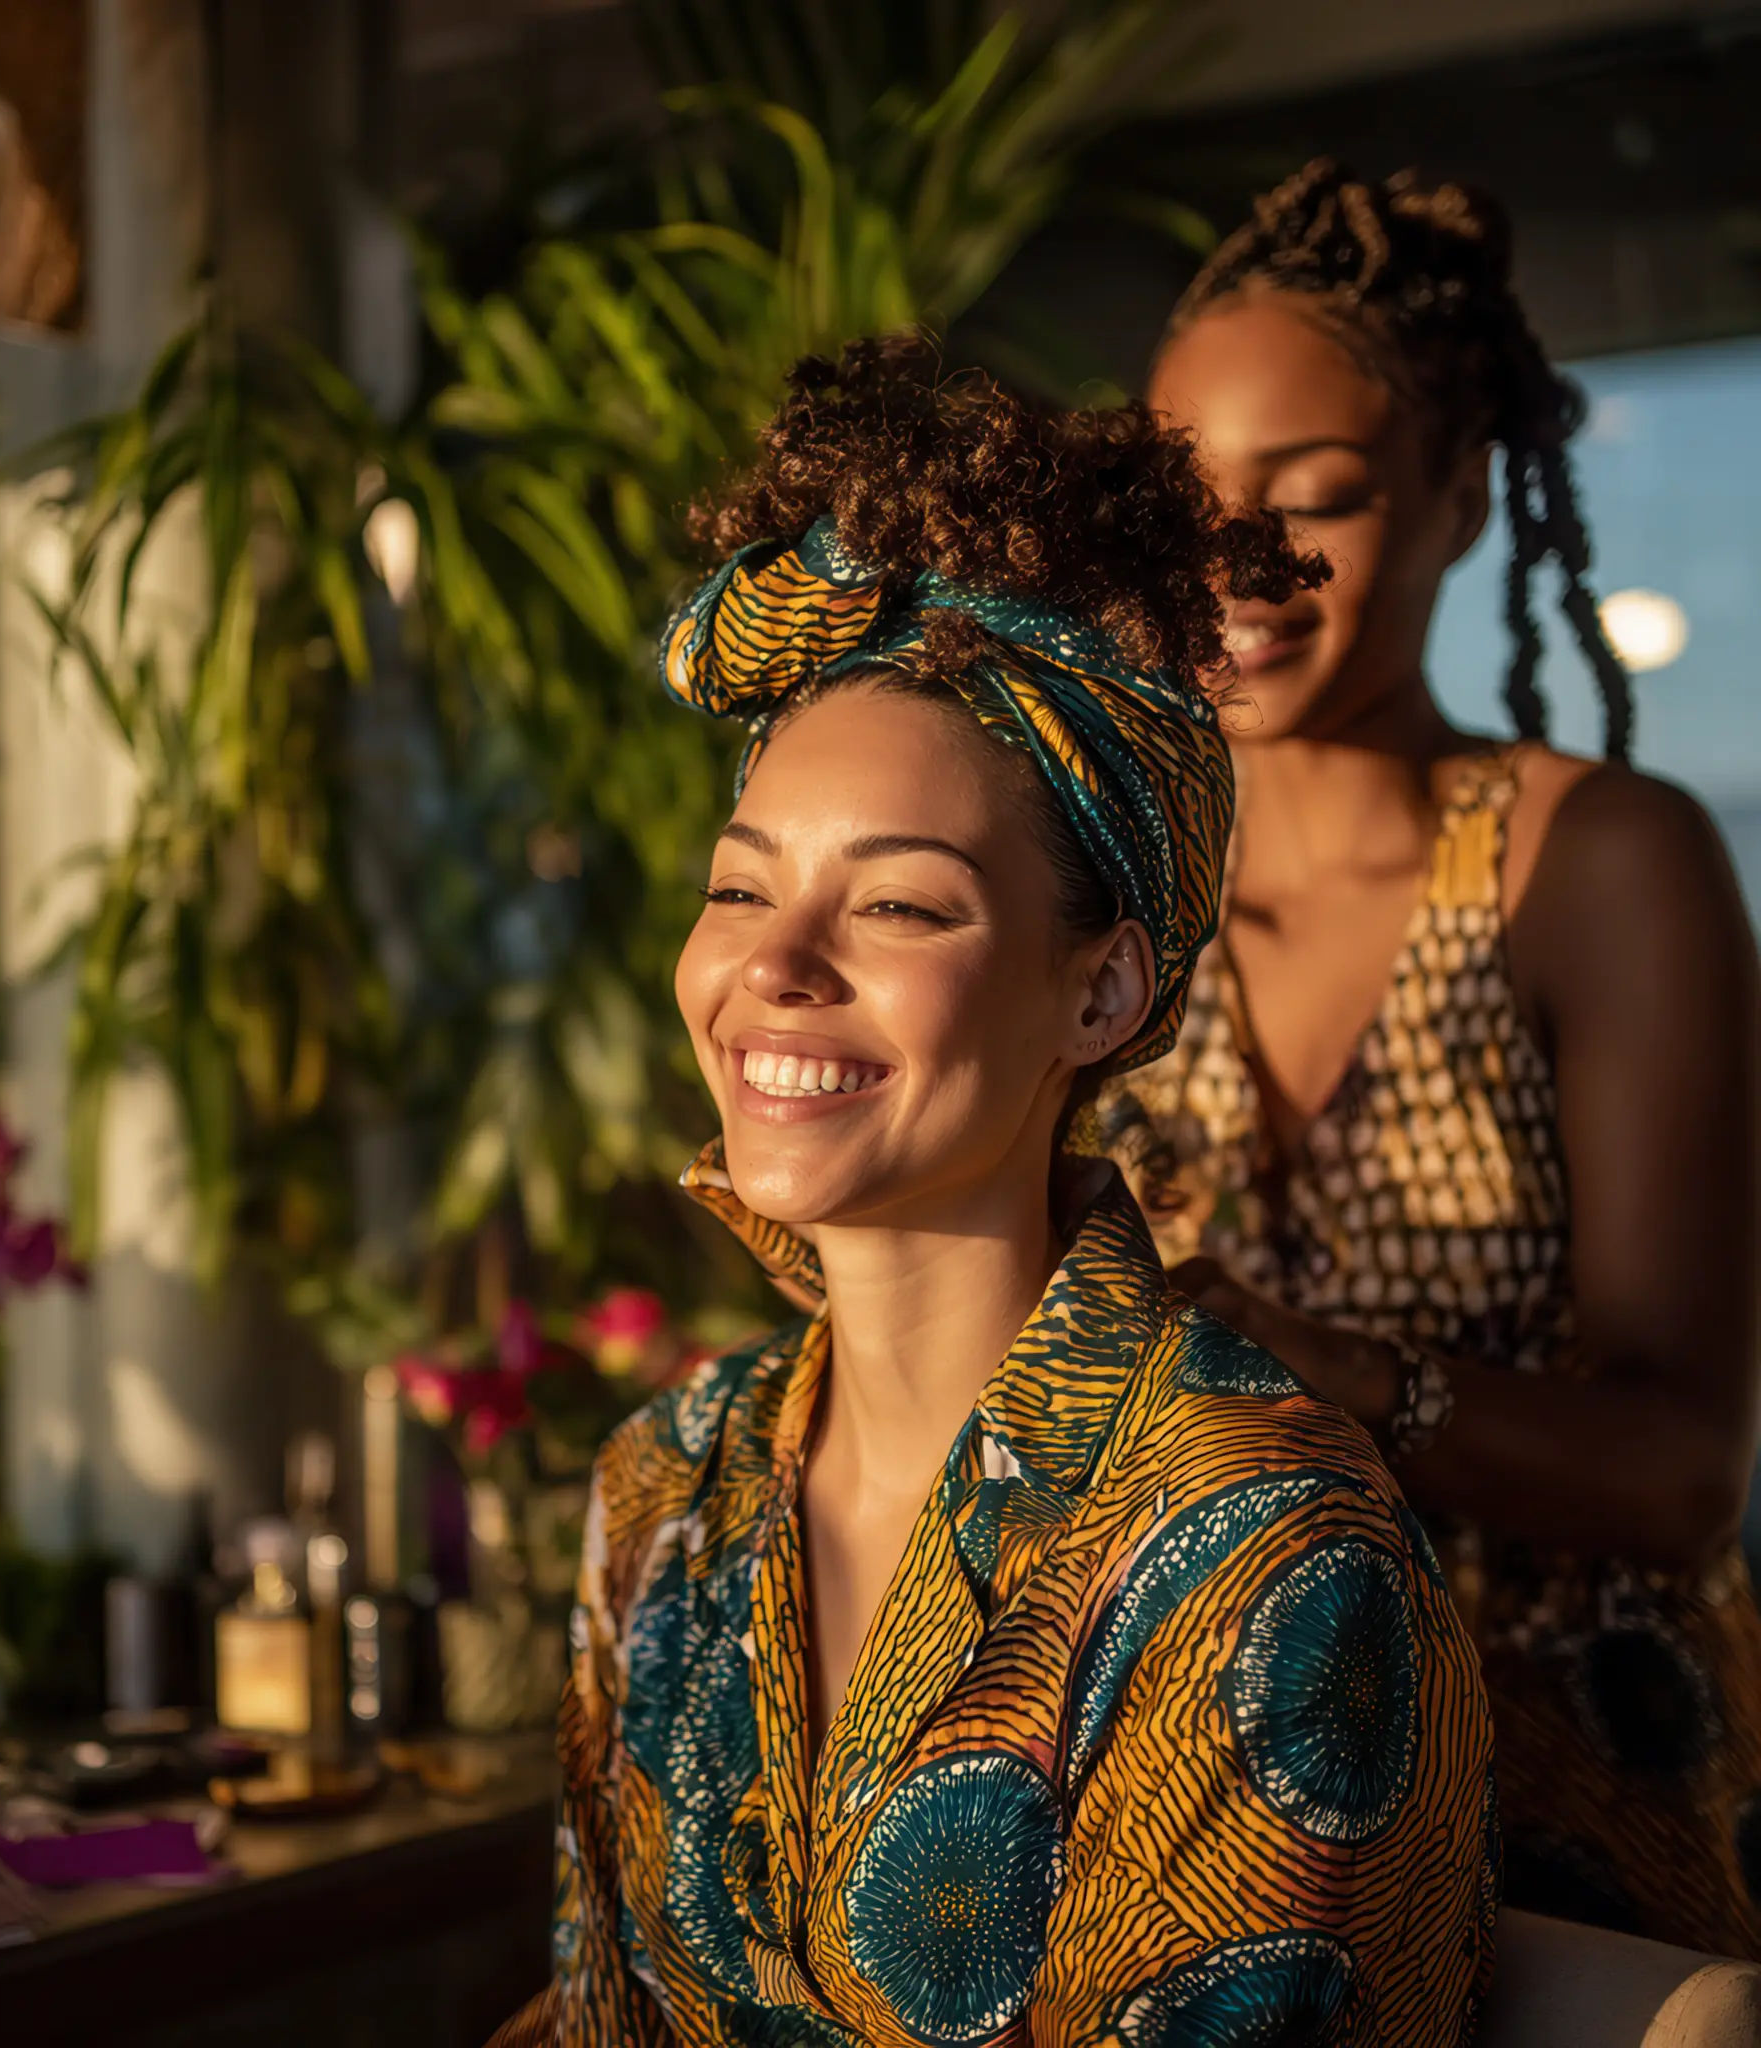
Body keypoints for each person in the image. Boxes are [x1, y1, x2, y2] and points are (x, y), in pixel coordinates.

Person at [491, 340, 1495, 2047]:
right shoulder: (664, 1489)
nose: (777, 970)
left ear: (1103, 996)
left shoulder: (1266, 1554)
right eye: (743, 891)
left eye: (901, 908)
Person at [1098, 159, 1761, 1956]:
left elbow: (1689, 1469)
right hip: (1203, 1775)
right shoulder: (1106, 873)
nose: (1237, 562)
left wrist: (1334, 1374)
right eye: (1185, 499)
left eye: (1315, 499)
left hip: (1564, 1796)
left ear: (1463, 497)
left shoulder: (1596, 864)